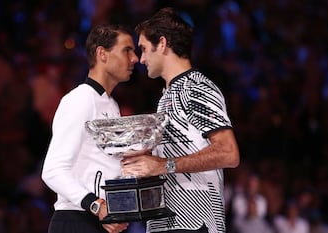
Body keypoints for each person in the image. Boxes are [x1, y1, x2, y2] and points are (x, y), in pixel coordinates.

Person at [121, 7, 240, 233]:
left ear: (163, 44)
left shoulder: (195, 87)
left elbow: (228, 153)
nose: (141, 58)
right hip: (168, 221)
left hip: (194, 222)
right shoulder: (169, 94)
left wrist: (163, 165)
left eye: (144, 49)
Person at [41, 24, 139, 233]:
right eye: (127, 50)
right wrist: (96, 205)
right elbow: (53, 170)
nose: (135, 59)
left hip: (100, 221)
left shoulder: (110, 104)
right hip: (77, 220)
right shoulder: (80, 100)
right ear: (102, 54)